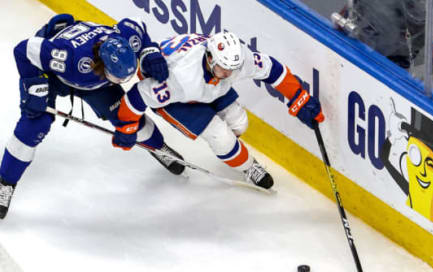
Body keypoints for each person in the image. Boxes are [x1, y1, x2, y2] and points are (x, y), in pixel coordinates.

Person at [0, 14, 185, 223]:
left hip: (96, 84)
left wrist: (149, 52)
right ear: (101, 64)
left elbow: (137, 25)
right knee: (35, 125)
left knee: (130, 120)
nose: (123, 81)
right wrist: (33, 85)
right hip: (55, 78)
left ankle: (159, 147)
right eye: (118, 77)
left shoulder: (126, 40)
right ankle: (7, 182)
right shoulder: (68, 57)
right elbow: (23, 49)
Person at [110, 31, 324, 190]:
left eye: (233, 69)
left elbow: (273, 70)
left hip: (208, 88)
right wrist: (127, 126)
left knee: (239, 124)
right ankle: (247, 166)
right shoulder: (179, 78)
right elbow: (137, 96)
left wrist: (299, 98)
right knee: (221, 137)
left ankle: (230, 151)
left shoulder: (234, 61)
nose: (230, 73)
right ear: (209, 57)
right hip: (177, 98)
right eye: (224, 68)